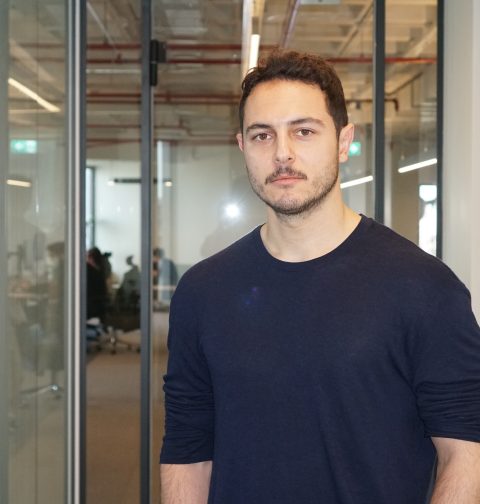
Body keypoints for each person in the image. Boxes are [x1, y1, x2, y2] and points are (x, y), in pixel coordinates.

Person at [160, 51, 480, 503]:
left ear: (344, 141)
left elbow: (466, 451)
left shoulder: (425, 287)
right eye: (262, 135)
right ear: (243, 147)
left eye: (304, 131)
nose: (282, 153)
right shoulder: (202, 292)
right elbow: (188, 450)